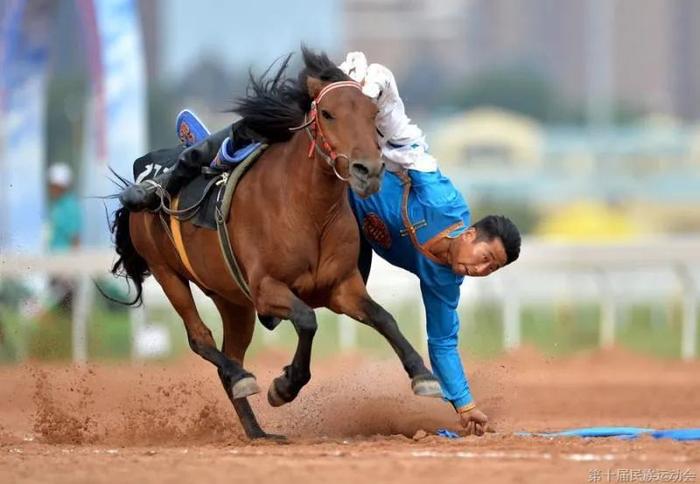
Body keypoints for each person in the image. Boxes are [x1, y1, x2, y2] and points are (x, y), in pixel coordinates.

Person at [118, 52, 521, 435]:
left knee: (350, 285)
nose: (480, 270)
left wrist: (465, 405)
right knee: (276, 132)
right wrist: (370, 87)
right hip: (349, 177)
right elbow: (406, 135)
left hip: (346, 226)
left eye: (491, 269)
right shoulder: (439, 197)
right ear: (470, 234)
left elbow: (445, 340)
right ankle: (194, 160)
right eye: (485, 258)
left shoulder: (446, 281)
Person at [47, 162, 82, 311]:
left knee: (67, 305)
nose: (50, 188)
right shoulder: (56, 205)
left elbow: (75, 237)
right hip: (55, 261)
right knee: (56, 304)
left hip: (65, 263)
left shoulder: (70, 206)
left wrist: (72, 265)